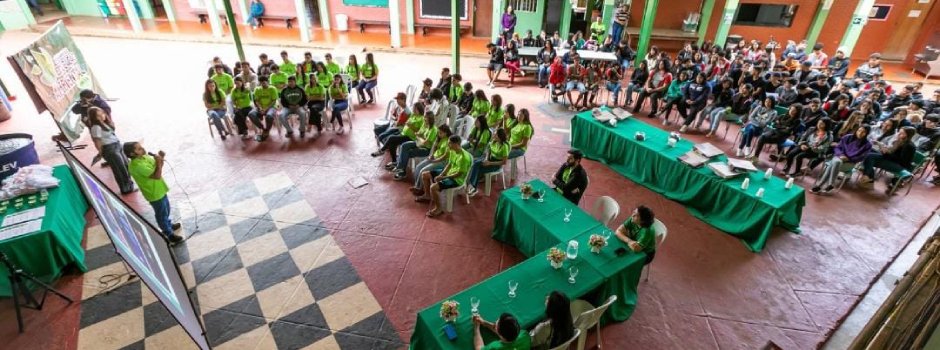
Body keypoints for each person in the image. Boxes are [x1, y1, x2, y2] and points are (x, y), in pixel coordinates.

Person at [124, 142, 184, 243]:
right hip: (154, 193)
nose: (142, 149)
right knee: (161, 213)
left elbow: (158, 168)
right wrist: (159, 162)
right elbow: (157, 175)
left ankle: (168, 224)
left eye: (141, 147)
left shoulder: (145, 157)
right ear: (132, 154)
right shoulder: (137, 166)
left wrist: (161, 158)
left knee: (166, 209)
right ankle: (168, 233)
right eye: (139, 149)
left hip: (160, 189)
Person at [420, 135, 472, 218]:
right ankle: (427, 195)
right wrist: (441, 174)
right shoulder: (452, 151)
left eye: (450, 143)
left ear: (456, 144)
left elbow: (459, 174)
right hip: (449, 173)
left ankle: (439, 208)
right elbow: (449, 164)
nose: (448, 145)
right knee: (425, 175)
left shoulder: (464, 158)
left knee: (433, 187)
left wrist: (443, 178)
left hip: (456, 179)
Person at [86, 107, 134, 194]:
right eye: (98, 115)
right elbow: (97, 141)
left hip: (117, 145)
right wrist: (100, 153)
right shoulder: (95, 127)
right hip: (109, 149)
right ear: (94, 117)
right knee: (119, 169)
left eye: (102, 113)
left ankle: (130, 185)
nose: (102, 116)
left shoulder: (104, 123)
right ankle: (125, 188)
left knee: (126, 165)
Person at [813, 126, 873, 194]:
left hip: (850, 163)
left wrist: (849, 158)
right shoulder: (847, 137)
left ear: (867, 134)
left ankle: (820, 185)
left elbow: (862, 157)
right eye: (859, 130)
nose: (860, 133)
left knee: (833, 164)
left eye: (863, 132)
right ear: (856, 130)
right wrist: (841, 155)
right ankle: (829, 185)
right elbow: (837, 147)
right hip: (839, 157)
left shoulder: (867, 145)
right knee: (837, 162)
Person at [392, 112, 437, 180]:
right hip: (418, 143)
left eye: (426, 118)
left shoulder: (434, 129)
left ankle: (402, 171)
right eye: (424, 117)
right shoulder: (425, 125)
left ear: (430, 119)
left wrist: (419, 137)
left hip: (426, 149)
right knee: (404, 145)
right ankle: (400, 168)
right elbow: (418, 134)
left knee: (407, 153)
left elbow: (425, 143)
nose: (424, 119)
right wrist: (420, 137)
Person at [466, 128, 509, 197]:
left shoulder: (504, 146)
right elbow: (489, 152)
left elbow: (504, 162)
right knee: (475, 163)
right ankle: (472, 187)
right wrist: (486, 159)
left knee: (477, 167)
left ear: (499, 136)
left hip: (496, 164)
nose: (493, 134)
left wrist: (490, 163)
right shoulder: (493, 142)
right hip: (490, 159)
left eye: (495, 134)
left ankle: (471, 186)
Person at [249, 76, 278, 142]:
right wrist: (260, 108)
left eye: (264, 83)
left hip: (271, 107)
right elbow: (256, 100)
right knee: (251, 114)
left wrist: (266, 109)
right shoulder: (257, 89)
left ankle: (267, 129)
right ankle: (262, 128)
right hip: (260, 107)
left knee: (269, 116)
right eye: (261, 83)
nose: (263, 84)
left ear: (267, 82)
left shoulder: (272, 89)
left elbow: (274, 101)